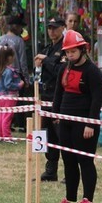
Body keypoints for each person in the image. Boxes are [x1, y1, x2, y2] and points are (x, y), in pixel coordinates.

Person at [52, 30, 102, 203]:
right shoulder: (64, 68)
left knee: (85, 161)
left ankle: (87, 200)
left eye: (73, 51)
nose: (70, 55)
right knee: (68, 160)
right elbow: (58, 94)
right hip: (65, 122)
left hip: (84, 124)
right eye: (67, 52)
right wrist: (56, 115)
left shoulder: (93, 72)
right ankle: (71, 199)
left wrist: (90, 123)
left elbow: (96, 100)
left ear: (83, 50)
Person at [34, 16, 67, 181]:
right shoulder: (47, 48)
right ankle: (51, 170)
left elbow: (61, 71)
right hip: (45, 96)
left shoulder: (66, 48)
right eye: (49, 28)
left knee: (63, 134)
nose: (51, 31)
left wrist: (46, 61)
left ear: (62, 28)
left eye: (55, 27)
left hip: (58, 97)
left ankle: (70, 172)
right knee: (48, 135)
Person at [0, 46, 24, 143]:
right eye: (12, 55)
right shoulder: (9, 71)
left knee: (1, 116)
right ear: (9, 57)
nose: (14, 58)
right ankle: (7, 136)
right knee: (7, 116)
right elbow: (8, 85)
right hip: (9, 96)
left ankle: (1, 136)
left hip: (1, 96)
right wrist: (19, 85)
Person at [0, 15, 29, 85]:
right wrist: (26, 78)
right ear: (16, 27)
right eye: (21, 27)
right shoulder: (19, 41)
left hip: (1, 74)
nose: (21, 30)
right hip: (15, 75)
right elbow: (22, 61)